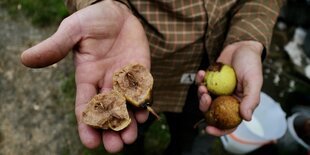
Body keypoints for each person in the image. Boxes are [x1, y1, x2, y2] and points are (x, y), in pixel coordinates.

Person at [21, 0, 283, 154]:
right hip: (136, 52)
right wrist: (100, 3)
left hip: (212, 69)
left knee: (188, 137)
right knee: (134, 134)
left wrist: (248, 39)